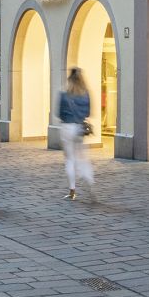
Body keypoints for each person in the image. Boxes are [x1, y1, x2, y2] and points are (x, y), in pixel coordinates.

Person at [57, 67, 97, 202]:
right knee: (82, 157)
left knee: (70, 159)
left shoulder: (64, 93)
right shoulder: (86, 94)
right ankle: (90, 184)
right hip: (79, 128)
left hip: (67, 128)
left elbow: (59, 113)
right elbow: (88, 113)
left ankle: (72, 191)